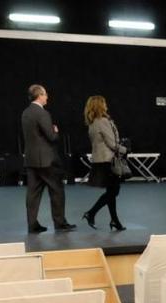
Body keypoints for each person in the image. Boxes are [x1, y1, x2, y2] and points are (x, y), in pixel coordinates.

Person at [20, 84, 75, 233]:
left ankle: (32, 224)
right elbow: (51, 137)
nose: (47, 97)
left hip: (31, 159)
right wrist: (55, 131)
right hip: (46, 160)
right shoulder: (42, 113)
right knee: (57, 190)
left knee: (33, 193)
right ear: (39, 96)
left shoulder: (25, 113)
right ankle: (60, 222)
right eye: (45, 95)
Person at [82, 95, 127, 231]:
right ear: (101, 106)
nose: (106, 105)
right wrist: (125, 149)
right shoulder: (103, 121)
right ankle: (91, 213)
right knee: (113, 192)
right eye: (104, 103)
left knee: (111, 192)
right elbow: (112, 143)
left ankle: (115, 221)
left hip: (100, 161)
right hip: (108, 161)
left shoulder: (93, 122)